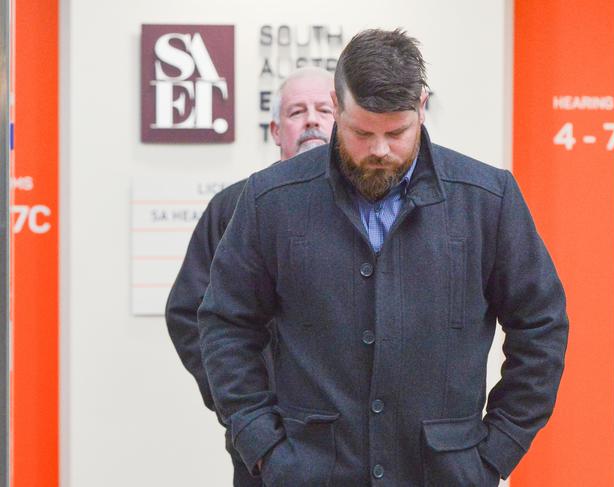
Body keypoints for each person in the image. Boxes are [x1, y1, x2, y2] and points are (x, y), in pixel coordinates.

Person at [198, 29, 569, 487]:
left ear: (422, 107)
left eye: (397, 132)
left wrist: (496, 451)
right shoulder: (270, 200)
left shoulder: (487, 200)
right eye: (361, 132)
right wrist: (262, 444)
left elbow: (542, 324)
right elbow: (225, 324)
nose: (379, 150)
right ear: (337, 105)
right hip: (310, 472)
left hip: (443, 474)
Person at [165, 66, 335, 487]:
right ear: (277, 130)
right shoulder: (234, 207)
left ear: (345, 122)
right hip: (266, 443)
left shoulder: (367, 207)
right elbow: (189, 312)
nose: (311, 119)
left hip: (352, 442)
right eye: (297, 111)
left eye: (324, 110)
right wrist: (244, 409)